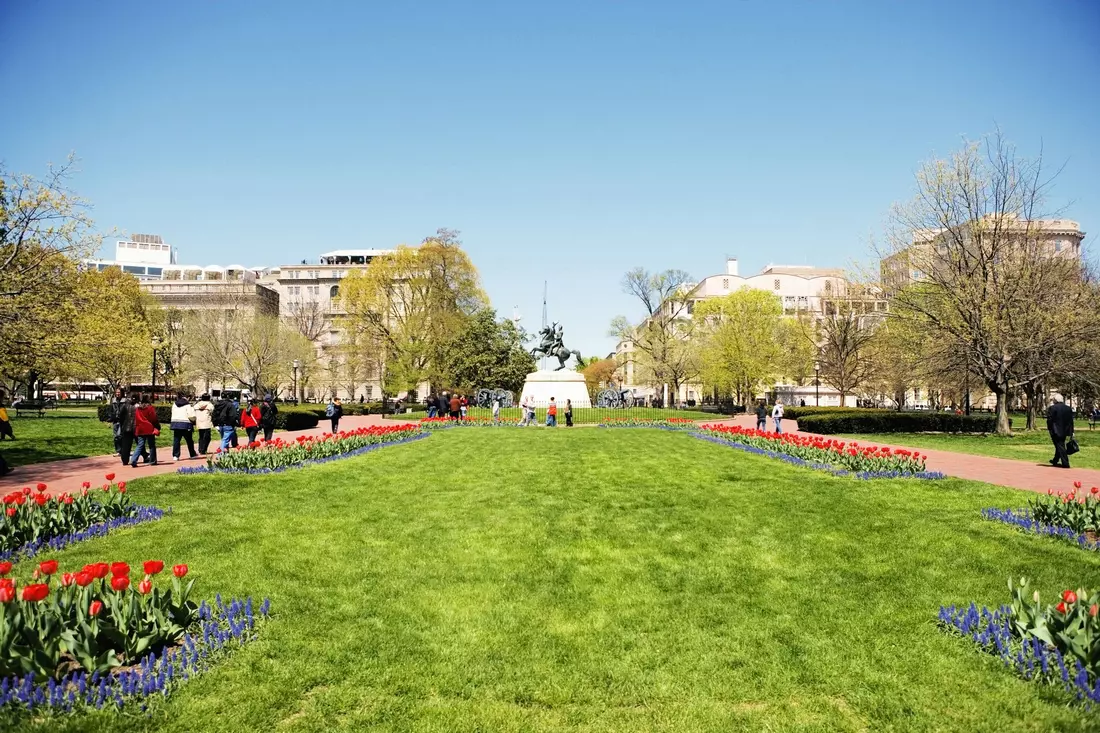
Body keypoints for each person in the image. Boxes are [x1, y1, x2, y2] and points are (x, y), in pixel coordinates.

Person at [129, 394, 160, 467]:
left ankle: (134, 459)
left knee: (140, 445)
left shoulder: (138, 409)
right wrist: (157, 426)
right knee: (151, 445)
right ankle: (153, 460)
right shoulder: (150, 408)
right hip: (149, 428)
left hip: (140, 428)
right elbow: (154, 418)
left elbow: (136, 418)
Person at [1047, 394, 1076, 469]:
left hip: (1056, 430)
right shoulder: (1068, 408)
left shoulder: (1052, 408)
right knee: (1059, 445)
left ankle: (1065, 463)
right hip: (1065, 430)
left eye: (1053, 400)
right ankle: (1055, 460)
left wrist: (1050, 429)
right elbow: (1071, 421)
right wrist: (1072, 430)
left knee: (1060, 446)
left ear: (1055, 400)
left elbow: (1050, 420)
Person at [169, 393, 198, 462]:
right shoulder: (188, 405)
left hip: (176, 423)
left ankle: (176, 456)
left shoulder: (174, 404)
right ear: (187, 398)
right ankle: (192, 454)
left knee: (176, 440)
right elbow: (191, 415)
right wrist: (194, 420)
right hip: (186, 424)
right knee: (189, 440)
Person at [108, 388, 126, 452]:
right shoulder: (113, 401)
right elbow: (111, 411)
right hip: (115, 421)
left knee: (119, 435)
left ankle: (122, 450)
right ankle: (118, 450)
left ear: (122, 393)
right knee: (115, 437)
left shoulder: (125, 401)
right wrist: (110, 420)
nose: (117, 394)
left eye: (119, 392)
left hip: (122, 421)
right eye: (116, 392)